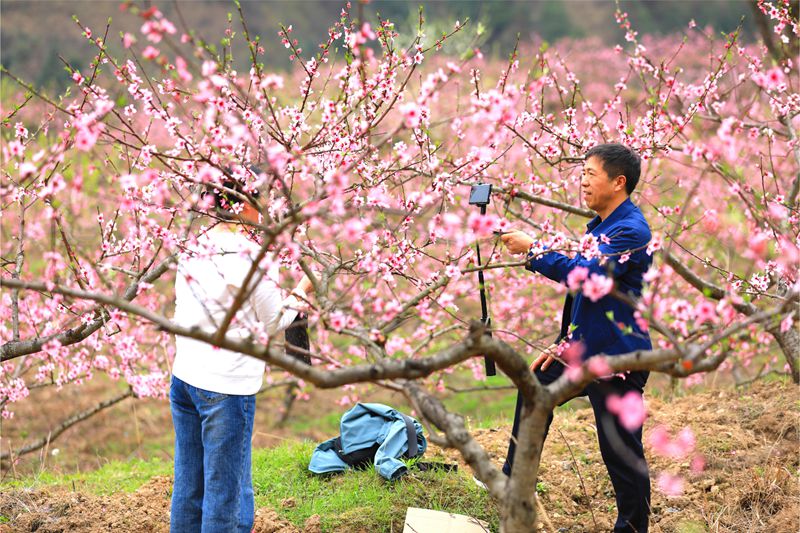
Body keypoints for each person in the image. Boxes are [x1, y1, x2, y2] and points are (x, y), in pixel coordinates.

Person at [500, 143, 653, 532]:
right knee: (535, 388)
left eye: (591, 173)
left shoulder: (630, 231)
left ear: (618, 183)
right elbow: (589, 299)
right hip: (584, 350)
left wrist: (534, 252)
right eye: (582, 172)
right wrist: (564, 343)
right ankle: (512, 485)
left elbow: (586, 278)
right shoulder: (603, 227)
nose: (582, 181)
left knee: (619, 452)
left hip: (617, 360)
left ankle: (632, 527)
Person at [170, 180, 312, 532]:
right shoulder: (251, 256)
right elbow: (274, 320)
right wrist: (304, 290)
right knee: (225, 496)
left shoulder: (195, 244)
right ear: (246, 204)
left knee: (189, 487)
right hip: (226, 387)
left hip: (185, 376)